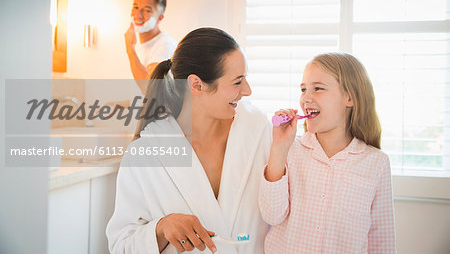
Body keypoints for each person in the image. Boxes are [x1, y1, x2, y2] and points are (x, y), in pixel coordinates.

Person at [107, 28, 272, 253]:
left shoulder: (262, 136)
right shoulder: (146, 155)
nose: (248, 90)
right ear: (196, 85)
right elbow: (120, 246)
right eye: (237, 82)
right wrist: (160, 228)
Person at [259, 53, 396, 253]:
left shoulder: (376, 163)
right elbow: (271, 215)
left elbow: (381, 239)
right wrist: (279, 148)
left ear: (349, 97)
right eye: (303, 89)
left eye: (318, 88)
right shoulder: (290, 150)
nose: (306, 98)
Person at [125, 0, 177, 93]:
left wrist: (130, 49)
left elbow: (149, 90)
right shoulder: (141, 46)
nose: (138, 15)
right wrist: (118, 105)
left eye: (147, 10)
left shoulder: (164, 45)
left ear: (160, 18)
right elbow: (141, 97)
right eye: (135, 7)